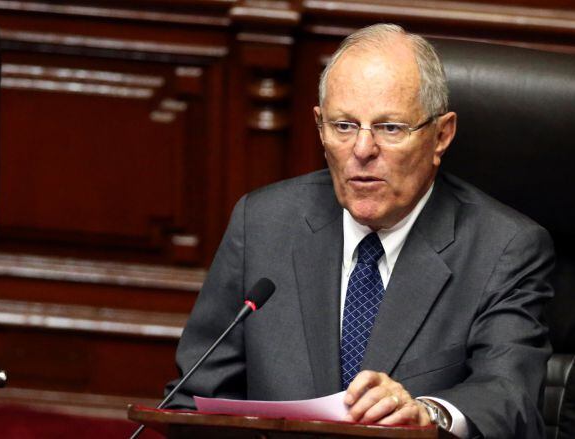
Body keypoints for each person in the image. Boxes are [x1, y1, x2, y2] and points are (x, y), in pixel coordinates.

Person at [165, 23, 554, 438]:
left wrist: (428, 415)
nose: (363, 150)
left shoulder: (504, 248)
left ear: (441, 135)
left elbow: (510, 398)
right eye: (344, 126)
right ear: (319, 127)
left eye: (390, 128)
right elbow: (192, 401)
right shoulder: (263, 223)